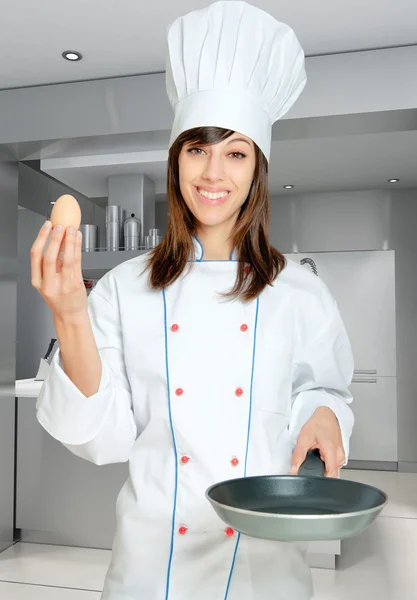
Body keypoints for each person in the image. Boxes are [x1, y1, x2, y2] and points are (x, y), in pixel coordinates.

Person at [31, 2, 354, 599]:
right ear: (176, 158)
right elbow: (99, 436)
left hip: (266, 562)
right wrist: (70, 312)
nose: (214, 172)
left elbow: (323, 388)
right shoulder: (127, 288)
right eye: (197, 149)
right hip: (154, 561)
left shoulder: (301, 290)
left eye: (235, 153)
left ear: (257, 168)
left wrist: (326, 413)